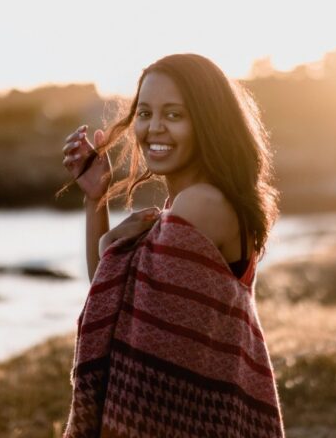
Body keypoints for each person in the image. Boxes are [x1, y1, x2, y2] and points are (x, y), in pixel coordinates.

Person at [59, 53, 285, 437]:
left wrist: (113, 241)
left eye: (174, 115)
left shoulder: (202, 204)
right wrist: (95, 199)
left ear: (208, 123)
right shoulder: (194, 203)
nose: (153, 128)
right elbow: (113, 291)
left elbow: (129, 302)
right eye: (144, 113)